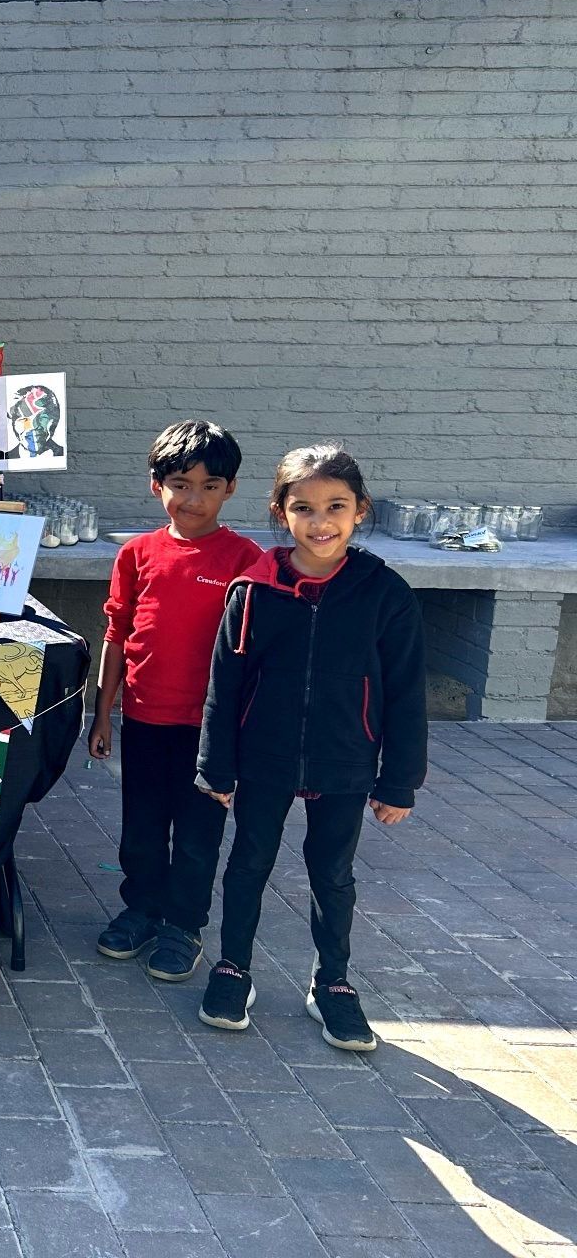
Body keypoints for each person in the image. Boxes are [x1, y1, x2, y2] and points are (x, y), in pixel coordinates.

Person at [196, 445, 426, 1053]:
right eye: (303, 508)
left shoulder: (385, 593)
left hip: (346, 760)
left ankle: (332, 984)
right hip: (263, 758)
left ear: (360, 512)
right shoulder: (254, 591)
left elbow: (405, 693)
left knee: (332, 874)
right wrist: (215, 765)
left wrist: (398, 780)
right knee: (248, 863)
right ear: (280, 512)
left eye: (336, 507)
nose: (320, 522)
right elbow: (226, 682)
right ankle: (233, 968)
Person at [87, 421, 260, 982]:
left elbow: (255, 652)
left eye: (210, 486)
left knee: (196, 833)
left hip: (210, 730)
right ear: (156, 484)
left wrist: (244, 734)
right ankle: (141, 908)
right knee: (141, 824)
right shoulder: (137, 554)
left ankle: (183, 925)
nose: (194, 498)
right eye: (181, 483)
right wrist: (103, 711)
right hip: (143, 717)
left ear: (230, 489)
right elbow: (116, 633)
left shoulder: (244, 559)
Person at [7, 384, 65, 459]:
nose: (33, 427)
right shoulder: (5, 459)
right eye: (24, 419)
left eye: (42, 418)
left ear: (55, 418)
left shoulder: (64, 456)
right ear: (13, 423)